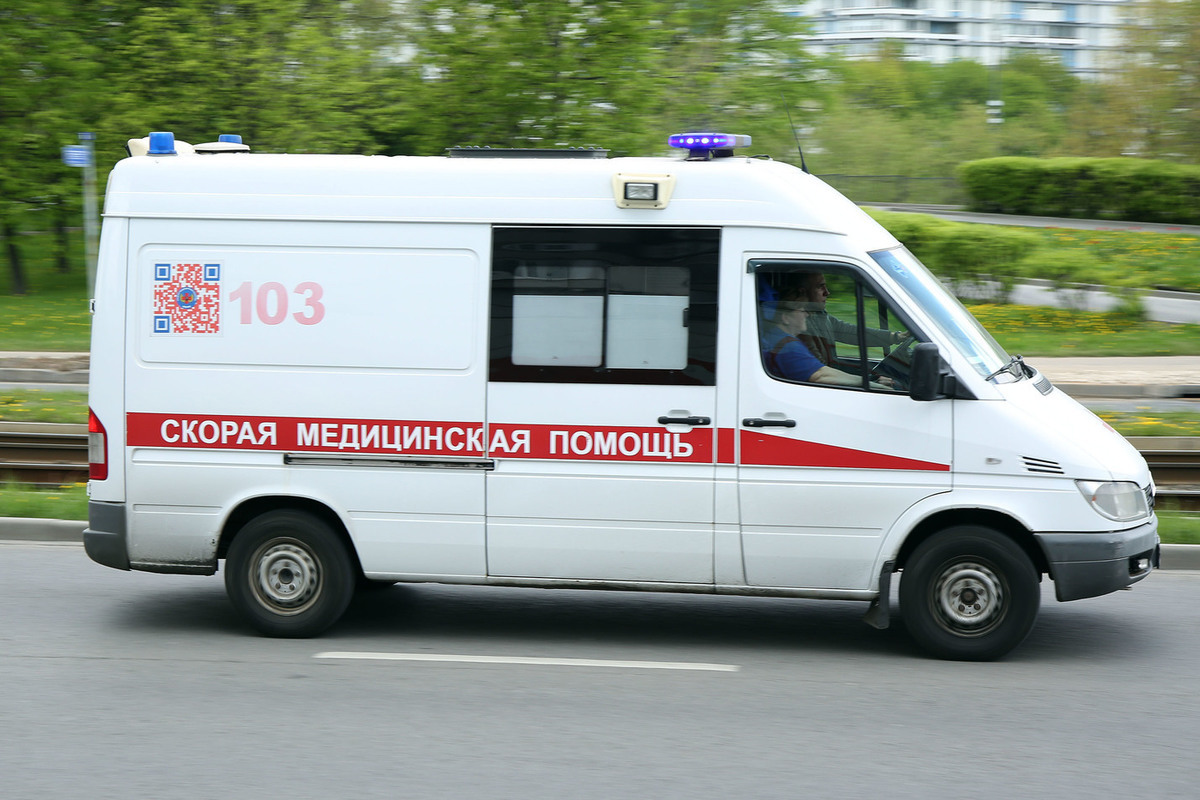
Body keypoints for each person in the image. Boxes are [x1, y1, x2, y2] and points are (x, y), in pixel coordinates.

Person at [761, 287, 894, 389]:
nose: (807, 315)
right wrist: (872, 383)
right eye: (802, 311)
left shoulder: (774, 336)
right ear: (785, 318)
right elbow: (821, 375)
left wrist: (870, 379)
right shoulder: (788, 346)